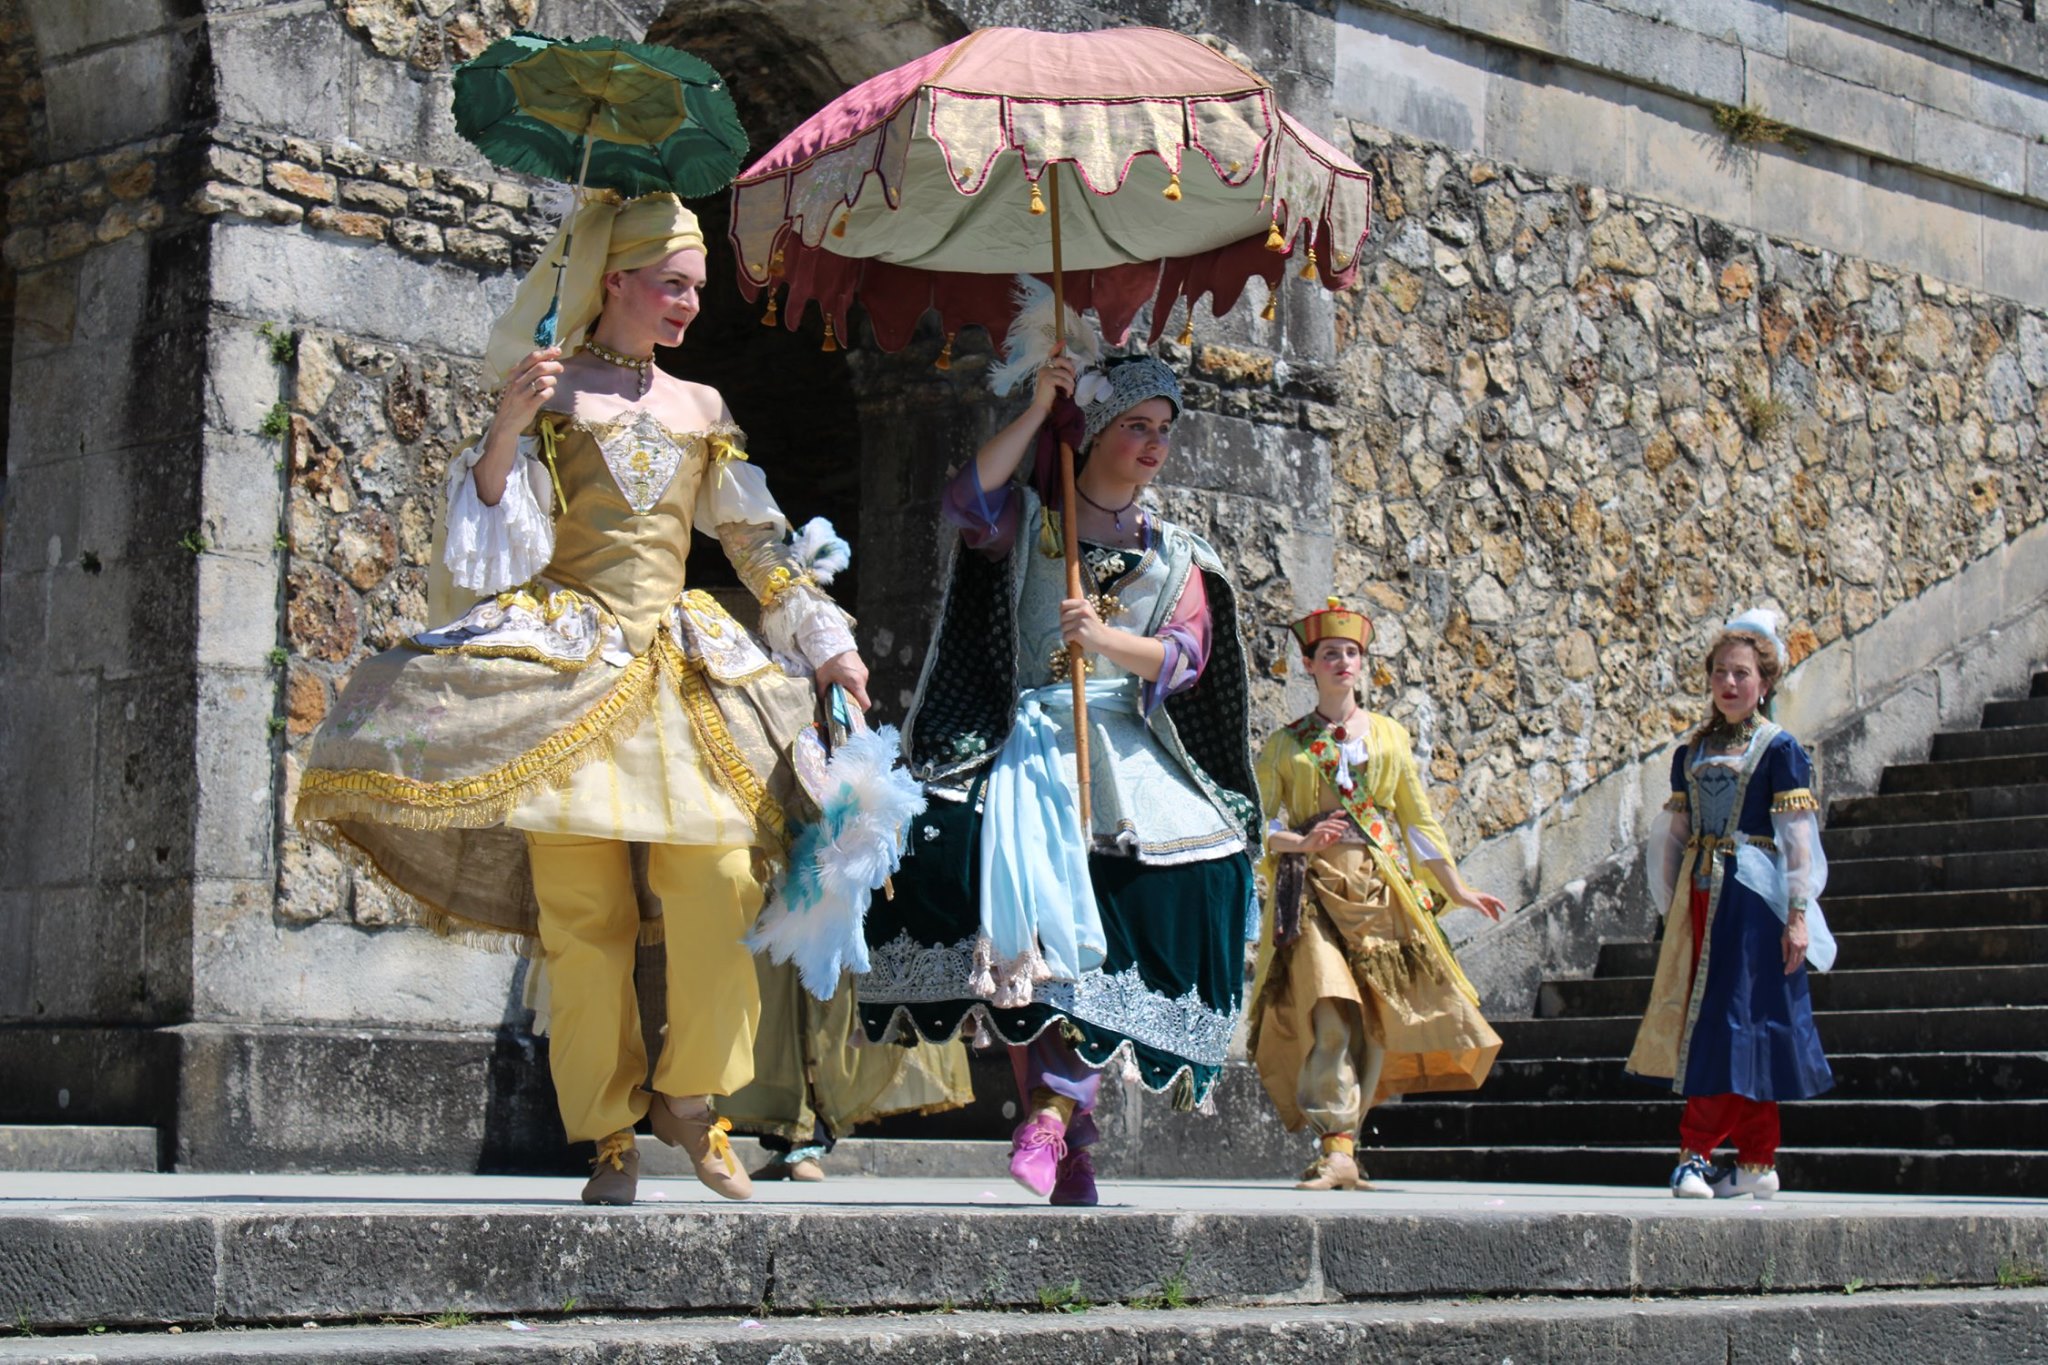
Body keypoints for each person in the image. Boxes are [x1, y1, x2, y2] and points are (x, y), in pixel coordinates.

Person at [294, 190, 871, 1206]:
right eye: (673, 286)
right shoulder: (550, 392)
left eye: (695, 290)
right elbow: (493, 549)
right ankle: (605, 1130)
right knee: (582, 912)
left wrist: (823, 642)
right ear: (616, 282)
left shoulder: (701, 409)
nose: (690, 306)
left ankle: (689, 1097)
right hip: (566, 660)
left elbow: (753, 537)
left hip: (677, 668)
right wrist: (509, 430)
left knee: (722, 881)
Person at [856, 315, 1261, 1208]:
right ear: (1098, 430)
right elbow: (966, 498)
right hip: (1033, 738)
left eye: (1165, 430)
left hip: (1127, 745)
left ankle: (1053, 1110)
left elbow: (1189, 657)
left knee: (1163, 892)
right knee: (1003, 907)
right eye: (1136, 427)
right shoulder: (1039, 518)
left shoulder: (1179, 553)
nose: (1154, 445)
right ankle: (1064, 1127)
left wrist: (1110, 638)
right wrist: (1041, 407)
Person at [1247, 599, 1505, 1190]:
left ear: (1363, 664)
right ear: (1308, 665)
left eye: (1352, 653)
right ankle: (1336, 1142)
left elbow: (1417, 822)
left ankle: (1344, 1143)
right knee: (1330, 1011)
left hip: (1380, 888)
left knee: (1377, 1019)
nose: (1343, 661)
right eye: (1330, 653)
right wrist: (1299, 842)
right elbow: (1253, 825)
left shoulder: (1389, 737)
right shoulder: (1285, 747)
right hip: (1311, 893)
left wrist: (1457, 889)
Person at [1626, 607, 1835, 1200]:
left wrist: (1797, 914)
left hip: (1751, 903)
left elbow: (1798, 839)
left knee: (1741, 1023)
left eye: (1742, 673)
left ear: (1764, 683)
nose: (1730, 684)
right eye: (1721, 672)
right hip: (1702, 900)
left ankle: (1701, 1152)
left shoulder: (1779, 750)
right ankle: (1754, 1161)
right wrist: (1671, 907)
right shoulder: (1692, 751)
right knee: (1720, 1021)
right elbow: (1673, 834)